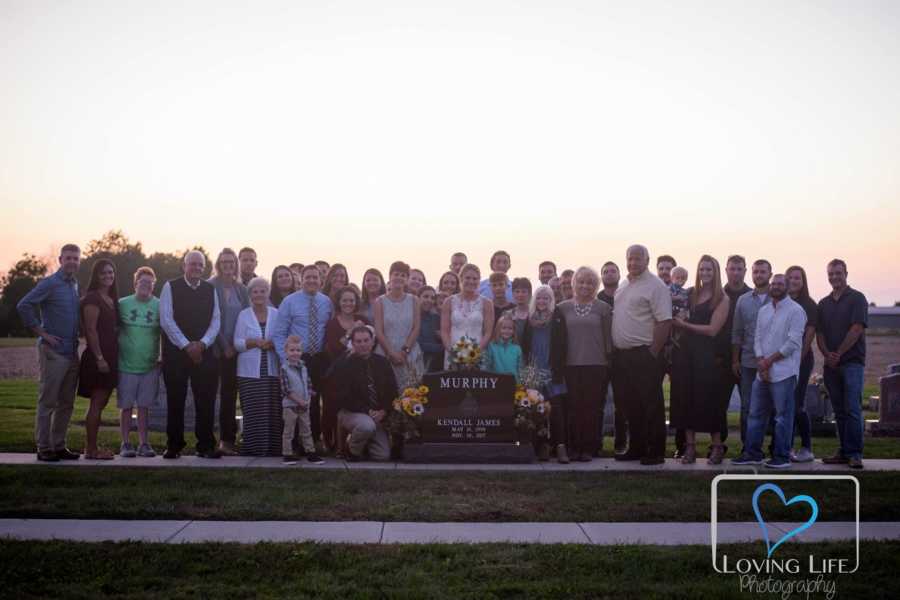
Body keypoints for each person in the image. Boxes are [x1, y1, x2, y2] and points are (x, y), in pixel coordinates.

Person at [17, 243, 83, 461]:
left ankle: (59, 445)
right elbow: (23, 305)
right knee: (48, 402)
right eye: (69, 258)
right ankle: (44, 448)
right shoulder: (50, 284)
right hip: (53, 352)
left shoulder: (74, 285)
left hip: (71, 352)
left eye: (76, 258)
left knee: (66, 403)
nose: (72, 261)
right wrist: (42, 334)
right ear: (60, 260)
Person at [733, 274, 806, 469]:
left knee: (782, 416)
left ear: (788, 287)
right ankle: (753, 453)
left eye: (780, 284)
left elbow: (793, 343)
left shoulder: (796, 311)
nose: (775, 286)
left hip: (784, 372)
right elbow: (757, 338)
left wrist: (769, 362)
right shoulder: (764, 310)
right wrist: (760, 361)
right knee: (755, 414)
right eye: (774, 283)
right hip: (762, 372)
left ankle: (781, 456)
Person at [612, 245, 672, 465]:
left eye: (638, 259)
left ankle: (655, 451)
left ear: (647, 260)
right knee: (630, 405)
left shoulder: (655, 286)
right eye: (630, 259)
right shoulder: (624, 284)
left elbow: (665, 321)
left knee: (651, 405)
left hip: (644, 354)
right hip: (623, 356)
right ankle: (636, 447)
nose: (633, 263)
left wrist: (653, 352)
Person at [159, 250, 222, 459]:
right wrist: (187, 346)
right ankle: (174, 445)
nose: (196, 268)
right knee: (175, 400)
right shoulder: (170, 286)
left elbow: (216, 320)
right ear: (184, 265)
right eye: (192, 264)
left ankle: (205, 445)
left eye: (200, 265)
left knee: (205, 401)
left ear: (204, 267)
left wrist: (202, 344)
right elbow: (167, 320)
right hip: (176, 354)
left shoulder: (209, 289)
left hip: (204, 353)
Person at [670, 256, 731, 464]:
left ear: (716, 272)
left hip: (707, 354)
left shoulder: (722, 298)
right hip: (685, 353)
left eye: (709, 270)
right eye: (702, 269)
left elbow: (713, 330)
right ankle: (690, 448)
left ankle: (716, 447)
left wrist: (684, 326)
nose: (705, 273)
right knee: (685, 399)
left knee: (711, 401)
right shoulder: (690, 293)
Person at [550, 266, 612, 462]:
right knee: (573, 408)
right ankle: (573, 447)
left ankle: (589, 448)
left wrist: (609, 362)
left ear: (596, 286)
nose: (585, 286)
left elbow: (608, 339)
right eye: (581, 282)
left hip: (597, 365)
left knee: (591, 408)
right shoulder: (562, 308)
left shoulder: (603, 308)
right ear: (574, 283)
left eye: (590, 283)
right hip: (570, 365)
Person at [272, 264, 333, 452]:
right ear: (301, 280)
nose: (312, 281)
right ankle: (293, 445)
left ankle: (314, 441)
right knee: (295, 402)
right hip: (298, 358)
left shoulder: (327, 302)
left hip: (320, 358)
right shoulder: (290, 302)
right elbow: (279, 333)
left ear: (321, 281)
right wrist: (287, 361)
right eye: (308, 277)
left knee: (315, 402)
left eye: (315, 277)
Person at [816, 259, 868, 469]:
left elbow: (856, 329)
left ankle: (855, 453)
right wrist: (828, 355)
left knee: (853, 409)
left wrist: (838, 353)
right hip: (831, 366)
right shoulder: (823, 303)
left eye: (838, 273)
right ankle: (843, 451)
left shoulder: (857, 298)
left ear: (846, 273)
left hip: (852, 363)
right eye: (831, 273)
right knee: (839, 411)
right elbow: (819, 334)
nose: (834, 277)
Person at [333, 326, 398, 461]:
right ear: (353, 343)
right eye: (358, 341)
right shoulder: (344, 364)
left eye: (366, 340)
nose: (363, 345)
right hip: (352, 413)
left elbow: (393, 390)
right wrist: (367, 411)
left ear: (372, 341)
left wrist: (384, 411)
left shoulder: (383, 362)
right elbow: (343, 397)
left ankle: (363, 445)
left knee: (382, 456)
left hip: (377, 415)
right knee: (366, 426)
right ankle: (352, 452)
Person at [234, 277, 282, 457]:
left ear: (268, 293)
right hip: (249, 371)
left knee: (271, 409)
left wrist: (273, 343)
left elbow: (282, 338)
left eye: (263, 291)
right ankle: (253, 447)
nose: (259, 294)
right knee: (253, 409)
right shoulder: (243, 315)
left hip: (271, 369)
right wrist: (253, 342)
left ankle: (273, 448)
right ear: (250, 294)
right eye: (255, 291)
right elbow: (237, 343)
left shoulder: (276, 314)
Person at [209, 248, 250, 455]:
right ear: (218, 264)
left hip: (237, 351)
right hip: (214, 349)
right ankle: (211, 440)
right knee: (210, 395)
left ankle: (229, 439)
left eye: (231, 262)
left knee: (230, 395)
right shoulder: (210, 287)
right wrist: (224, 346)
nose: (228, 265)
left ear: (235, 265)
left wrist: (234, 345)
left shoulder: (241, 289)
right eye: (224, 262)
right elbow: (210, 319)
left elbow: (247, 318)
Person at [77, 259, 120, 460]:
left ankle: (91, 448)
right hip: (98, 358)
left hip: (110, 357)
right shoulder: (92, 299)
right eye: (103, 273)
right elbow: (91, 330)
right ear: (96, 276)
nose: (107, 276)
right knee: (97, 402)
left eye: (110, 272)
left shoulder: (111, 298)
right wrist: (100, 358)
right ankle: (91, 450)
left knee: (100, 403)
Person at [117, 267, 161, 458]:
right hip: (125, 365)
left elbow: (166, 333)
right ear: (135, 284)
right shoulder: (122, 304)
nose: (145, 285)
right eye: (142, 282)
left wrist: (162, 357)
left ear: (153, 285)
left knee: (144, 407)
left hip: (149, 366)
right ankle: (126, 443)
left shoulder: (160, 305)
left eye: (149, 283)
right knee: (126, 406)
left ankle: (144, 443)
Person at [520, 284, 566, 461]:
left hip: (552, 368)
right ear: (534, 300)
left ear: (551, 300)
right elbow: (525, 345)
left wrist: (559, 368)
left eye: (546, 298)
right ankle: (542, 445)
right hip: (534, 370)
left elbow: (563, 344)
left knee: (556, 410)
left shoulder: (557, 317)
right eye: (539, 298)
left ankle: (560, 445)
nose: (542, 301)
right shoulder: (530, 320)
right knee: (537, 410)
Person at [323, 286, 371, 448]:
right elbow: (335, 348)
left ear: (356, 301)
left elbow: (371, 343)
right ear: (339, 302)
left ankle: (358, 442)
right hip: (339, 372)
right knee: (334, 407)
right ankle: (333, 444)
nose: (348, 303)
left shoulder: (363, 319)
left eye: (351, 300)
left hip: (361, 371)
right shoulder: (332, 324)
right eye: (345, 300)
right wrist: (351, 330)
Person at [732, 259, 772, 445]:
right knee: (748, 406)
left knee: (772, 407)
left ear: (769, 275)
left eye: (762, 272)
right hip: (748, 362)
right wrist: (735, 360)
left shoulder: (779, 298)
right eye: (756, 272)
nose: (759, 275)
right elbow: (737, 332)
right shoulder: (744, 300)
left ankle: (772, 448)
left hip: (774, 362)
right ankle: (747, 447)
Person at [715, 255, 752, 449]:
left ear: (745, 271)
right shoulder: (718, 295)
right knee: (719, 405)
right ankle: (719, 445)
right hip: (721, 360)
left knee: (748, 406)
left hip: (746, 360)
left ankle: (749, 445)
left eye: (739, 269)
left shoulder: (753, 296)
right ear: (726, 270)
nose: (736, 272)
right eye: (732, 269)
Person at [785, 265, 817, 463]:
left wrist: (796, 361)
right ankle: (786, 448)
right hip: (783, 360)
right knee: (784, 405)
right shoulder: (782, 302)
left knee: (797, 405)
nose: (794, 281)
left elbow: (808, 337)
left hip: (801, 361)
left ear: (803, 281)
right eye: (790, 277)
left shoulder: (809, 304)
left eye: (797, 278)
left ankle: (806, 448)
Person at [374, 261, 424, 386]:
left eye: (403, 275)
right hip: (386, 353)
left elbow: (416, 327)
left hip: (409, 353)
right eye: (396, 274)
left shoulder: (414, 300)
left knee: (411, 395)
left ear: (407, 279)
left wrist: (404, 351)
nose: (399, 278)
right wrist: (391, 353)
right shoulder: (380, 301)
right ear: (390, 276)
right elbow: (379, 330)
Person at [596, 261, 627, 454]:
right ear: (601, 276)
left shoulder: (625, 295)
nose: (609, 274)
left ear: (619, 274)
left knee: (622, 403)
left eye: (612, 271)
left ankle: (621, 443)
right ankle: (596, 443)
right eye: (605, 271)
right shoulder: (596, 299)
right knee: (598, 402)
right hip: (600, 357)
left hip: (621, 356)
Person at [280, 335, 324, 465]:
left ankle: (310, 452)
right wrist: (299, 401)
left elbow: (307, 383)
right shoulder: (284, 369)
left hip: (304, 405)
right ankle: (287, 454)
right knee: (289, 431)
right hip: (290, 406)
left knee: (306, 430)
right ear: (286, 352)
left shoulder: (304, 367)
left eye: (298, 350)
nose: (295, 353)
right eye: (292, 350)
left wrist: (310, 393)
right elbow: (286, 390)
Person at [441, 263, 494, 368]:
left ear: (479, 281)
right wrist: (453, 353)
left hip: (477, 353)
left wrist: (474, 354)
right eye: (468, 278)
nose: (471, 281)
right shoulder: (449, 301)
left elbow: (488, 333)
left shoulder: (487, 303)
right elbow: (444, 331)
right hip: (453, 353)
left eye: (475, 279)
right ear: (461, 279)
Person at [484, 314, 522, 381]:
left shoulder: (517, 348)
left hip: (514, 384)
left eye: (510, 328)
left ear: (514, 331)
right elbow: (487, 366)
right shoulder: (492, 346)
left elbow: (520, 368)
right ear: (498, 329)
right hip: (496, 383)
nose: (507, 331)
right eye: (504, 328)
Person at [417, 286, 444, 373]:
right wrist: (443, 347)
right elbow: (417, 344)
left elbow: (443, 338)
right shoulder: (411, 317)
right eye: (425, 296)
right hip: (416, 361)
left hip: (435, 364)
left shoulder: (436, 318)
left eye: (432, 298)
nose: (429, 300)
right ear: (418, 298)